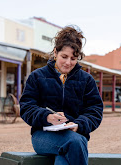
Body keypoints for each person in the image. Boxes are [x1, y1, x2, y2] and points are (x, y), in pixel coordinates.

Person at [19, 25, 104, 165]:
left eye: (73, 58)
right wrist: (47, 117)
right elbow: (26, 107)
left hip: (75, 134)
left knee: (64, 157)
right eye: (64, 56)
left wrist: (78, 124)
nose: (68, 62)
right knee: (75, 142)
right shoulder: (37, 77)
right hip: (43, 136)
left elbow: (95, 110)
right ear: (55, 52)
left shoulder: (87, 80)